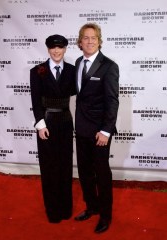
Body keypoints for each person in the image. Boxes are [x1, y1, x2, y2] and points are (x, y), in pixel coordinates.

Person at [74, 23, 119, 233]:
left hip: (100, 132)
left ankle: (105, 216)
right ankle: (91, 207)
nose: (89, 41)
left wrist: (106, 131)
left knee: (102, 174)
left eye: (93, 37)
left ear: (99, 41)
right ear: (80, 41)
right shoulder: (77, 62)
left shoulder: (109, 66)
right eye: (85, 37)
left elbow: (112, 101)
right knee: (84, 172)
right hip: (81, 129)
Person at [30, 34, 76, 223]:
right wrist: (40, 124)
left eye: (60, 47)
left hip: (65, 121)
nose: (56, 51)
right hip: (46, 123)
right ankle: (53, 211)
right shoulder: (37, 70)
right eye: (53, 48)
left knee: (65, 166)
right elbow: (35, 99)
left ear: (65, 49)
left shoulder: (73, 70)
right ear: (48, 49)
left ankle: (66, 209)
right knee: (49, 167)